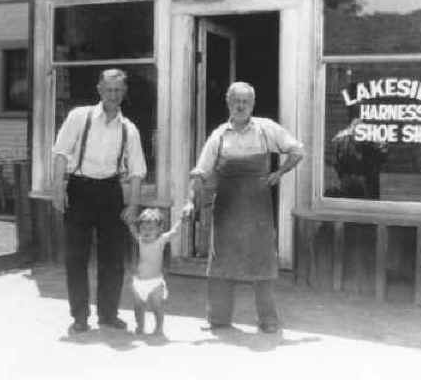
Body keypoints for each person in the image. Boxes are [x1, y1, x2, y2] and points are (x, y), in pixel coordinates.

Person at [183, 81, 304, 333]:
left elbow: (297, 150)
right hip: (227, 209)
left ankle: (268, 320)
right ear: (228, 103)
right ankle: (219, 319)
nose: (240, 106)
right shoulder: (219, 135)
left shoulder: (265, 129)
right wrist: (189, 201)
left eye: (245, 101)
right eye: (236, 101)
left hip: (258, 209)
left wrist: (279, 173)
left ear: (252, 104)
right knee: (221, 264)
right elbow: (200, 171)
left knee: (263, 262)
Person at [51, 68, 147, 334]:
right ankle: (80, 317)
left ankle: (108, 314)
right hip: (80, 190)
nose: (113, 95)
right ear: (99, 90)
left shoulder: (130, 129)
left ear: (124, 93)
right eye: (109, 90)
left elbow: (137, 171)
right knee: (76, 257)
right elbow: (60, 153)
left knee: (113, 258)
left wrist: (133, 205)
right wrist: (58, 189)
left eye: (118, 91)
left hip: (110, 192)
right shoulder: (79, 117)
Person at [127, 208, 183, 336]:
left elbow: (174, 232)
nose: (146, 232)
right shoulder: (139, 239)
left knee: (157, 307)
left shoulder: (160, 240)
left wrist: (182, 219)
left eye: (151, 228)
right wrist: (128, 218)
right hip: (139, 282)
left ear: (159, 230)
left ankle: (159, 328)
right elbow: (131, 226)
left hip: (155, 282)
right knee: (138, 308)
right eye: (143, 228)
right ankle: (140, 327)